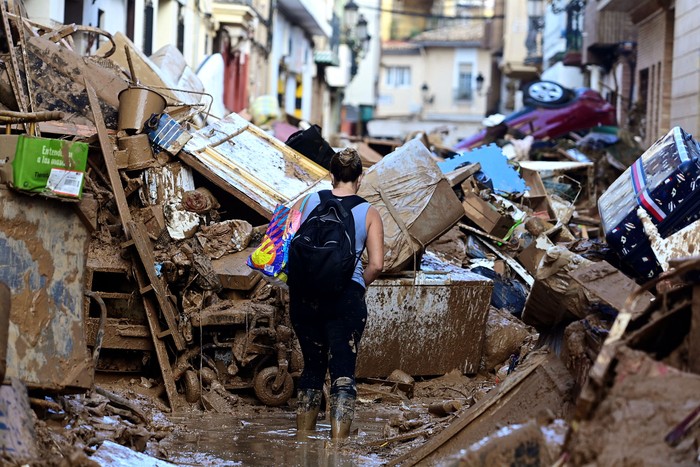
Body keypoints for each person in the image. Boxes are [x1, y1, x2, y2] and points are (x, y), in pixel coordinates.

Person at [288, 147, 384, 440]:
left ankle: (303, 441)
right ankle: (339, 448)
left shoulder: (308, 201)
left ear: (331, 175)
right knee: (343, 370)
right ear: (360, 176)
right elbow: (378, 264)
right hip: (345, 299)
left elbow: (286, 241)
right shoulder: (369, 212)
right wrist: (357, 285)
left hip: (304, 298)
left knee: (312, 369)